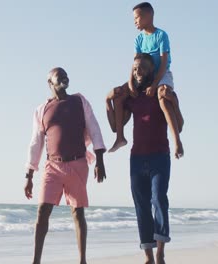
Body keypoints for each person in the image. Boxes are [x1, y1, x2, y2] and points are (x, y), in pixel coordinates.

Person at [24, 67, 106, 264]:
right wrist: (29, 175)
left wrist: (100, 160)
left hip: (77, 163)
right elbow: (35, 142)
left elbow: (94, 128)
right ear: (50, 83)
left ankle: (82, 260)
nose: (63, 77)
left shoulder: (79, 101)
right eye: (58, 75)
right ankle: (36, 261)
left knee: (78, 212)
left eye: (65, 75)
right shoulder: (42, 110)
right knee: (43, 210)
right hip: (52, 166)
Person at [107, 53, 174, 264]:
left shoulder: (161, 93)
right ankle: (148, 256)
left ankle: (160, 252)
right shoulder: (132, 97)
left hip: (160, 156)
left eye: (142, 68)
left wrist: (178, 141)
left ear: (152, 71)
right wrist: (107, 101)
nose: (138, 72)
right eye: (135, 68)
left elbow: (178, 123)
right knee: (141, 205)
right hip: (137, 158)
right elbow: (114, 126)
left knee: (159, 200)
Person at [109, 2, 184, 160]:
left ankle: (177, 140)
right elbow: (135, 62)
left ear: (149, 16)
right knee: (119, 95)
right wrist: (130, 83)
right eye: (134, 19)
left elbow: (163, 62)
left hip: (161, 74)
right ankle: (120, 137)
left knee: (163, 98)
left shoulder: (161, 35)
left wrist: (156, 83)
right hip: (142, 74)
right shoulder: (139, 39)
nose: (135, 21)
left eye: (137, 17)